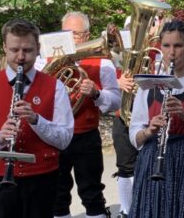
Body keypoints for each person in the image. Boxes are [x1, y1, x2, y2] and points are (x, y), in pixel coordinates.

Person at [0, 18, 74, 218]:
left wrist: (36, 120)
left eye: (28, 50)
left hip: (42, 179)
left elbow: (64, 139)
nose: (21, 57)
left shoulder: (55, 86)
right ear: (4, 48)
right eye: (15, 50)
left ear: (38, 48)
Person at [129, 20, 184, 218]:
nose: (172, 52)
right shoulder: (149, 84)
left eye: (178, 45)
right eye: (166, 45)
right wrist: (148, 131)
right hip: (153, 160)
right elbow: (134, 135)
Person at [52, 12, 122, 218]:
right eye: (65, 33)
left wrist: (96, 93)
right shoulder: (45, 59)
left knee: (91, 192)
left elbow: (116, 100)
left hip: (86, 134)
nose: (69, 39)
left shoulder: (102, 61)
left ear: (86, 36)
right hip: (55, 135)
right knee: (57, 194)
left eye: (75, 34)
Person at [112, 0, 169, 217]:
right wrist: (120, 81)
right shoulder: (128, 33)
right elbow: (113, 64)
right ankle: (126, 210)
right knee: (125, 166)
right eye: (159, 6)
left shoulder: (166, 38)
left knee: (153, 164)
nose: (162, 13)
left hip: (151, 110)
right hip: (125, 110)